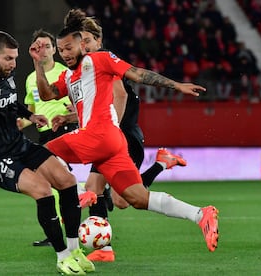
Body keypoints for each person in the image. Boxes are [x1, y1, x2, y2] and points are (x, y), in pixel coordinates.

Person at [28, 11, 219, 256]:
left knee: (38, 155)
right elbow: (46, 94)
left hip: (98, 135)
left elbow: (138, 74)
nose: (65, 54)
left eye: (69, 48)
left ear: (83, 45)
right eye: (61, 50)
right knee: (137, 198)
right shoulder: (69, 76)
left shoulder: (100, 60)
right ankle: (200, 214)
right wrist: (38, 63)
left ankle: (76, 210)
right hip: (112, 143)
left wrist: (176, 85)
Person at [0, 31, 95, 275]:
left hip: (19, 145)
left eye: (15, 59)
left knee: (67, 182)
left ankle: (75, 249)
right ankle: (62, 257)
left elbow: (11, 103)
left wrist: (29, 115)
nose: (13, 64)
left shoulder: (8, 76)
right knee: (43, 191)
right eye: (8, 59)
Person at [75, 11, 188, 262]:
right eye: (79, 41)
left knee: (121, 199)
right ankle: (104, 250)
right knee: (99, 188)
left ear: (97, 41)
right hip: (113, 135)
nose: (83, 46)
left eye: (87, 41)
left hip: (122, 135)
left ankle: (161, 163)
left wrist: (111, 128)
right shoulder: (86, 70)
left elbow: (121, 96)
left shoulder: (102, 61)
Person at [20, 29, 79, 247]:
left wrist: (72, 112)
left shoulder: (66, 73)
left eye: (46, 45)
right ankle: (55, 230)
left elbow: (79, 103)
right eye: (37, 46)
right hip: (43, 134)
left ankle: (87, 192)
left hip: (64, 130)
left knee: (60, 179)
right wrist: (22, 122)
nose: (42, 50)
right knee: (48, 185)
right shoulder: (30, 79)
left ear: (55, 49)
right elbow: (31, 110)